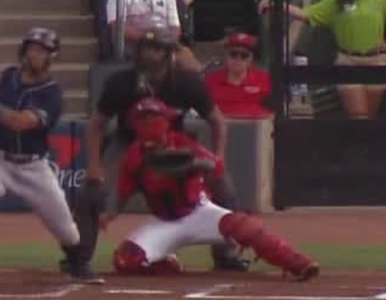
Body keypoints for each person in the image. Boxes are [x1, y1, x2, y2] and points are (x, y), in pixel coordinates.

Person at [76, 28, 251, 272]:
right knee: (91, 191)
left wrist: (218, 156)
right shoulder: (121, 82)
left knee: (223, 185)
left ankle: (225, 254)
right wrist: (94, 166)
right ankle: (80, 257)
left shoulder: (187, 82)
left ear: (169, 54)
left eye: (156, 50)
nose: (149, 55)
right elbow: (96, 123)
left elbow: (217, 121)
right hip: (128, 142)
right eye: (146, 49)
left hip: (174, 145)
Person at [0, 28, 102, 284]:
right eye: (31, 49)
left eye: (41, 51)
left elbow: (18, 122)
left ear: (52, 56)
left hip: (32, 166)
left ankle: (77, 262)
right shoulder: (9, 76)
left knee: (66, 230)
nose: (34, 55)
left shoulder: (52, 94)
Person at [103, 97, 317, 280]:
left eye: (156, 119)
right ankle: (166, 263)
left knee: (244, 226)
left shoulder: (183, 144)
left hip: (198, 211)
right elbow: (122, 193)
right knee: (127, 260)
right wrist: (109, 214)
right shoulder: (134, 157)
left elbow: (216, 166)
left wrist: (193, 165)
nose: (154, 124)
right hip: (164, 221)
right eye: (146, 120)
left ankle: (297, 262)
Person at [205, 31, 272, 119]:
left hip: (255, 129)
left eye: (244, 55)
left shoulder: (265, 80)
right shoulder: (211, 81)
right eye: (233, 54)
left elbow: (276, 110)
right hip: (223, 128)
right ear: (226, 56)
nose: (238, 59)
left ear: (251, 58)